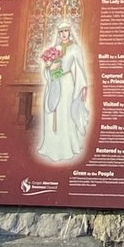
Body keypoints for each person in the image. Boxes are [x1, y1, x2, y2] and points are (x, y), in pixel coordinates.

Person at [37, 21, 89, 162]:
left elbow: (81, 68)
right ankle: (52, 146)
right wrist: (49, 68)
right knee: (52, 113)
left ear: (69, 32)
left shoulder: (75, 49)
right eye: (61, 31)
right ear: (58, 34)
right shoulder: (55, 48)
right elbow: (48, 70)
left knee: (65, 113)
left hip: (67, 83)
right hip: (54, 82)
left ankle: (66, 147)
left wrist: (84, 87)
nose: (63, 34)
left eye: (66, 30)